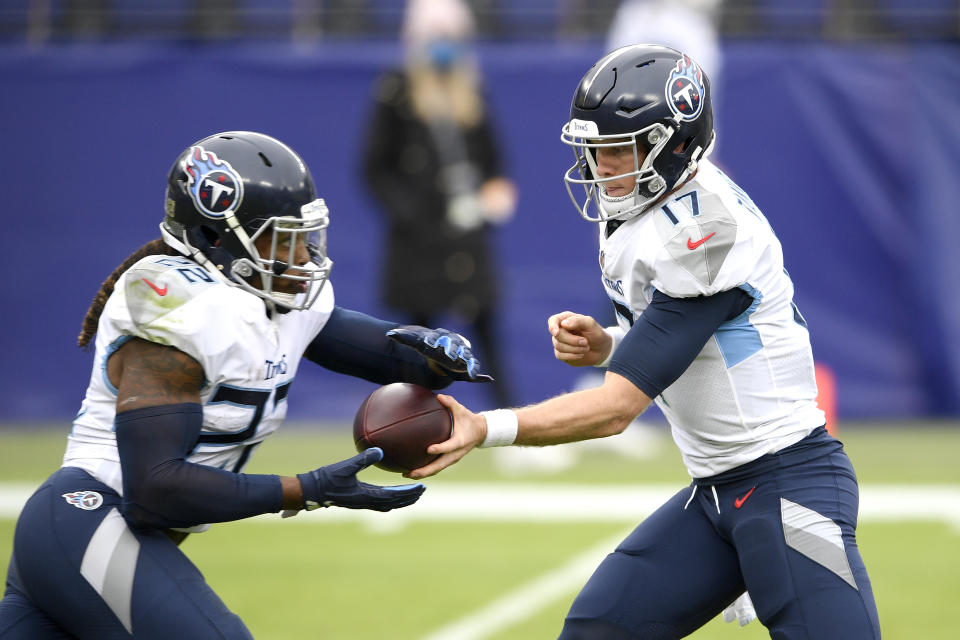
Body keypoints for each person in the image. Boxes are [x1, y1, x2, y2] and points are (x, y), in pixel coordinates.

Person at [407, 45, 882, 638]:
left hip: (786, 483)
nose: (598, 165)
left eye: (613, 149)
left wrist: (485, 428)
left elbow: (614, 410)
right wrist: (612, 344)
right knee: (596, 631)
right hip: (717, 493)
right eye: (592, 148)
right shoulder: (648, 209)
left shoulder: (705, 229)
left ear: (675, 143)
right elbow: (691, 340)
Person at [0, 131, 491, 639]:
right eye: (283, 238)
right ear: (216, 237)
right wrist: (308, 489)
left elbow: (395, 354)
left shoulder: (272, 300)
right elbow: (155, 490)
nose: (302, 254)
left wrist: (439, 358)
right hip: (88, 519)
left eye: (304, 235)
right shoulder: (175, 302)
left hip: (97, 538)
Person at [361, 0, 517, 409]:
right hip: (418, 241)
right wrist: (412, 215)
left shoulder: (472, 92)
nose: (443, 47)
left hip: (467, 236)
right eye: (435, 38)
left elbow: (494, 163)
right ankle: (402, 420)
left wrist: (492, 199)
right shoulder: (397, 91)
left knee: (488, 333)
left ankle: (511, 423)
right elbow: (375, 169)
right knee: (416, 342)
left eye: (451, 38)